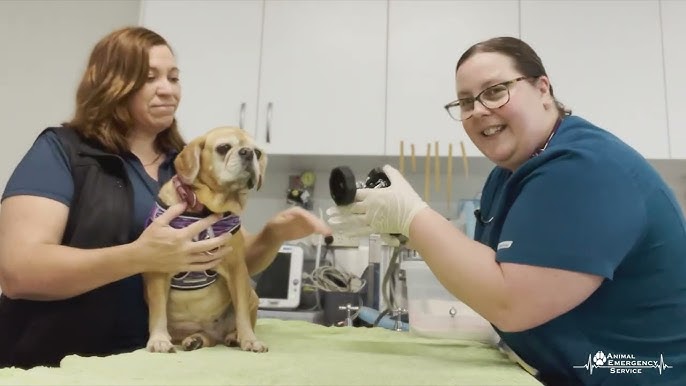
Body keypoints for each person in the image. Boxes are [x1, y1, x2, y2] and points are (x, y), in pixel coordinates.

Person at [328, 36, 686, 385]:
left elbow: (512, 303)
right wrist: (409, 232)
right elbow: (490, 272)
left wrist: (413, 217)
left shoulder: (584, 168)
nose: (478, 110)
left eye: (495, 91)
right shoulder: (509, 176)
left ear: (543, 89)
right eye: (465, 102)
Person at [0, 26, 331, 369]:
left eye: (174, 78)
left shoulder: (186, 165)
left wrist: (273, 234)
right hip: (55, 363)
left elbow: (228, 259)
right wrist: (140, 257)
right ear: (110, 83)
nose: (168, 90)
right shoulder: (61, 151)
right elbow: (19, 271)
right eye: (149, 78)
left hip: (152, 363)